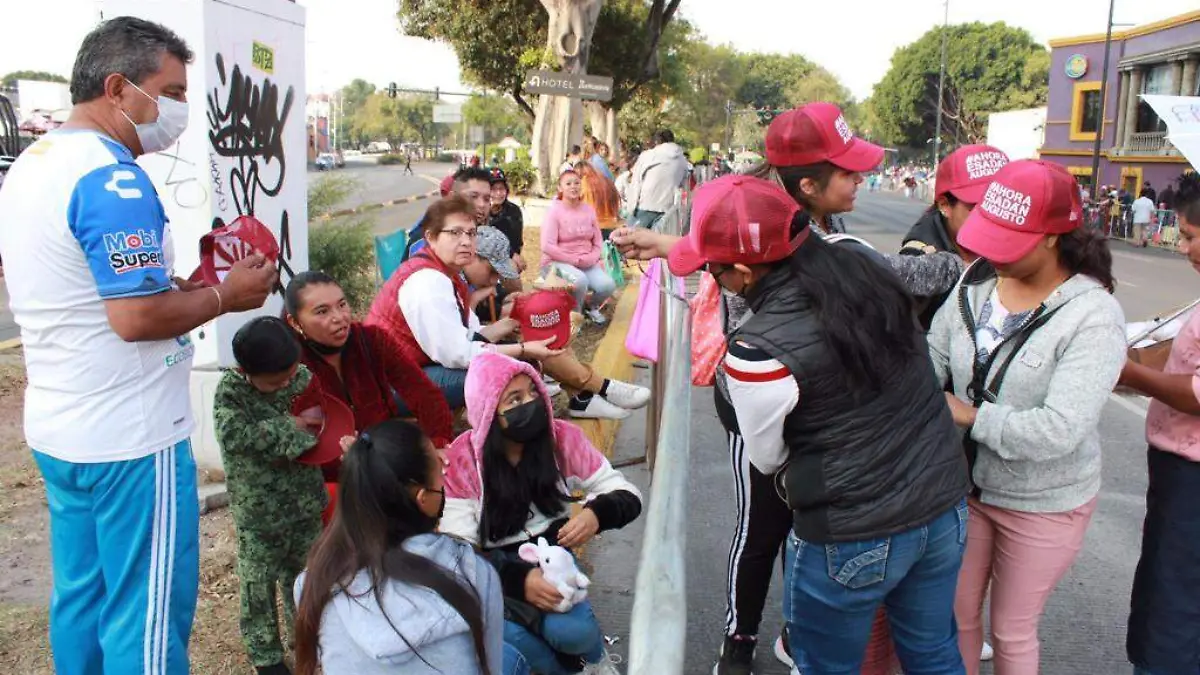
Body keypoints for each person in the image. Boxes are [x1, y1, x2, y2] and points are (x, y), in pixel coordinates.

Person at [612, 102, 965, 675]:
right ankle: (740, 635)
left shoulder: (761, 341)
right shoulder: (851, 258)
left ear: (740, 273)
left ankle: (762, 638)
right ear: (804, 188)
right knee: (931, 650)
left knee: (824, 656)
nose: (861, 181)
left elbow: (771, 452)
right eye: (850, 172)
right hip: (938, 498)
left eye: (714, 269)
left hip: (851, 516)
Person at [0, 17, 278, 675]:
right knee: (146, 617)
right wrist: (222, 297)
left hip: (63, 427)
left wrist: (180, 289)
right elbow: (134, 316)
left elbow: (90, 292)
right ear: (119, 88)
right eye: (172, 90)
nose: (180, 109)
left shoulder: (33, 166)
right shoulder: (113, 179)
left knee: (84, 598)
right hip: (130, 439)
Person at [926, 160, 1126, 675]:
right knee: (956, 614)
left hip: (1044, 501)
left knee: (1012, 632)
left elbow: (1060, 428)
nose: (992, 255)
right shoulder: (975, 282)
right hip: (963, 487)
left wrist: (970, 416)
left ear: (1053, 238)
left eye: (1008, 243)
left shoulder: (1092, 316)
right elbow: (935, 351)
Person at [441, 353, 642, 675]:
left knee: (575, 634)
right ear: (487, 411)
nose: (530, 403)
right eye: (514, 399)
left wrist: (598, 513)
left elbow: (627, 493)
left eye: (533, 392)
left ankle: (594, 660)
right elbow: (458, 553)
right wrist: (518, 581)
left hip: (551, 560)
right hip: (494, 573)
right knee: (520, 642)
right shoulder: (462, 462)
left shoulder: (561, 439)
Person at [366, 196, 648, 419]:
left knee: (529, 344)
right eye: (454, 233)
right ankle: (597, 390)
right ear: (431, 237)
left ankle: (588, 394)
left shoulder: (449, 275)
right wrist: (523, 349)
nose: (466, 241)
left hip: (411, 372)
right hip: (391, 386)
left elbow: (471, 338)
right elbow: (459, 354)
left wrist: (512, 321)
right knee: (514, 368)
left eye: (470, 233)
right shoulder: (428, 281)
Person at [294, 419, 528, 675]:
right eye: (438, 471)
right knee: (513, 659)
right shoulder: (474, 574)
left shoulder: (314, 579)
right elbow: (490, 668)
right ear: (423, 499)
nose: (443, 467)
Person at [1117, 174, 1200, 675]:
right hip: (1177, 473)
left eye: (1190, 236)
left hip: (1192, 480)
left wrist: (1130, 373)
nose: (1185, 247)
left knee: (1175, 600)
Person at [214, 317, 326, 675]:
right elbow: (236, 436)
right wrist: (291, 428)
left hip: (305, 501)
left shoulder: (303, 378)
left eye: (291, 373)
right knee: (258, 584)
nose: (288, 383)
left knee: (307, 577)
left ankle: (308, 637)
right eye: (277, 381)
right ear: (245, 371)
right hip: (259, 510)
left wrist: (309, 430)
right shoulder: (231, 392)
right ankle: (266, 656)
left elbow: (321, 423)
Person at [284, 271, 455, 471]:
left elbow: (425, 394)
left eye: (342, 305)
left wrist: (437, 444)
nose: (339, 317)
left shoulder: (372, 340)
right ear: (295, 323)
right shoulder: (286, 363)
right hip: (321, 479)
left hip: (383, 459)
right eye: (322, 311)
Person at [900, 144, 1009, 329]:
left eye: (1000, 205)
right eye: (977, 208)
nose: (993, 217)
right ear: (945, 205)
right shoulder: (921, 260)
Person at [542, 170, 616, 325]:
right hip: (557, 263)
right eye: (568, 183)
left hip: (586, 262)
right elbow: (547, 246)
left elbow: (597, 240)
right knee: (580, 280)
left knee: (607, 285)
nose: (573, 187)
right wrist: (573, 260)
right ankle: (576, 314)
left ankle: (591, 306)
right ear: (560, 188)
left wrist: (591, 257)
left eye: (576, 183)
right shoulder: (554, 211)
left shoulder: (588, 209)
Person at [625, 129, 689, 229]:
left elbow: (636, 184)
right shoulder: (682, 160)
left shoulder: (648, 155)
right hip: (667, 210)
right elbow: (683, 183)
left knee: (630, 240)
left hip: (645, 207)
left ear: (657, 141)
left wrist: (631, 210)